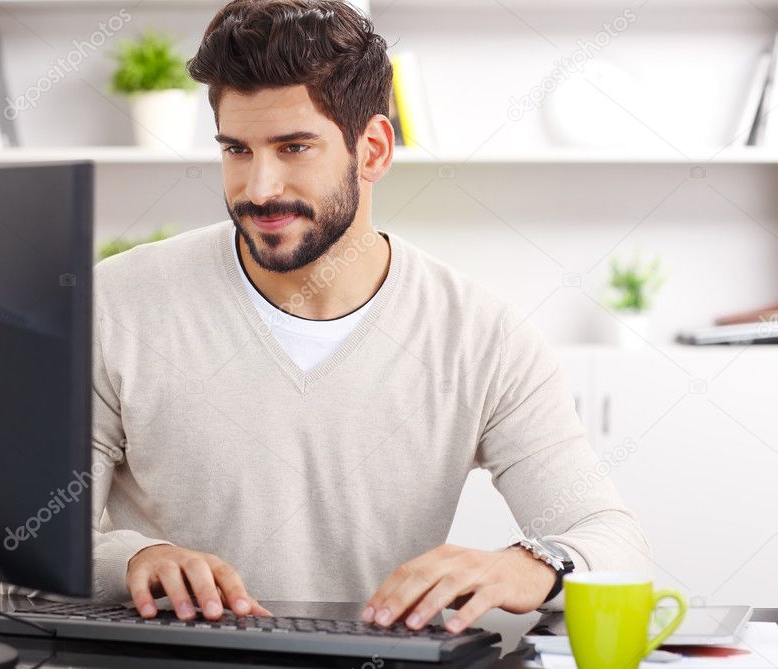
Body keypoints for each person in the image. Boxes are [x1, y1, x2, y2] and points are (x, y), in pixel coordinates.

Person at [90, 0, 651, 634]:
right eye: (237, 150)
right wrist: (136, 557)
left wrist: (526, 565)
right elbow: (31, 534)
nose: (259, 187)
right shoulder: (117, 302)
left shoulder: (482, 336)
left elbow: (612, 543)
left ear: (374, 150)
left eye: (294, 147)